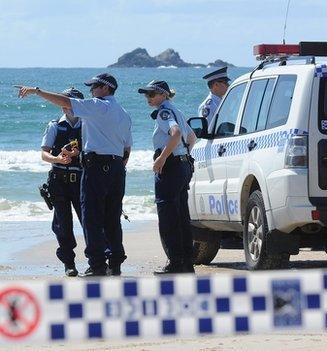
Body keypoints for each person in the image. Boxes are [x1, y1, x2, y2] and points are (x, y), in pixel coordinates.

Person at [18, 73, 132, 276]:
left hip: (96, 168)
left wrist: (37, 91)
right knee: (112, 217)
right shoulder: (123, 113)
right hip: (116, 169)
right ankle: (115, 263)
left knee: (92, 218)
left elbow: (65, 101)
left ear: (106, 88)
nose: (91, 91)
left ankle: (97, 265)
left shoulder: (98, 105)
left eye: (94, 87)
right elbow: (127, 149)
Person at [138, 80, 197, 274]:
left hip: (171, 167)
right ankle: (187, 262)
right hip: (182, 164)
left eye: (152, 94)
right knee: (181, 215)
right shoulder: (176, 111)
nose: (149, 98)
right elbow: (191, 137)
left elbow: (176, 133)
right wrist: (184, 155)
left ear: (163, 95)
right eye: (147, 95)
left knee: (168, 217)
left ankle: (175, 262)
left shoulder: (165, 112)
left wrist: (162, 158)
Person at [40, 88, 85, 277]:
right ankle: (69, 263)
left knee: (89, 222)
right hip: (58, 181)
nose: (67, 106)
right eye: (64, 102)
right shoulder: (54, 126)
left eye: (71, 102)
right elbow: (44, 154)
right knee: (62, 225)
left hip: (81, 181)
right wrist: (58, 159)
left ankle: (97, 261)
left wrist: (78, 154)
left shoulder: (89, 125)